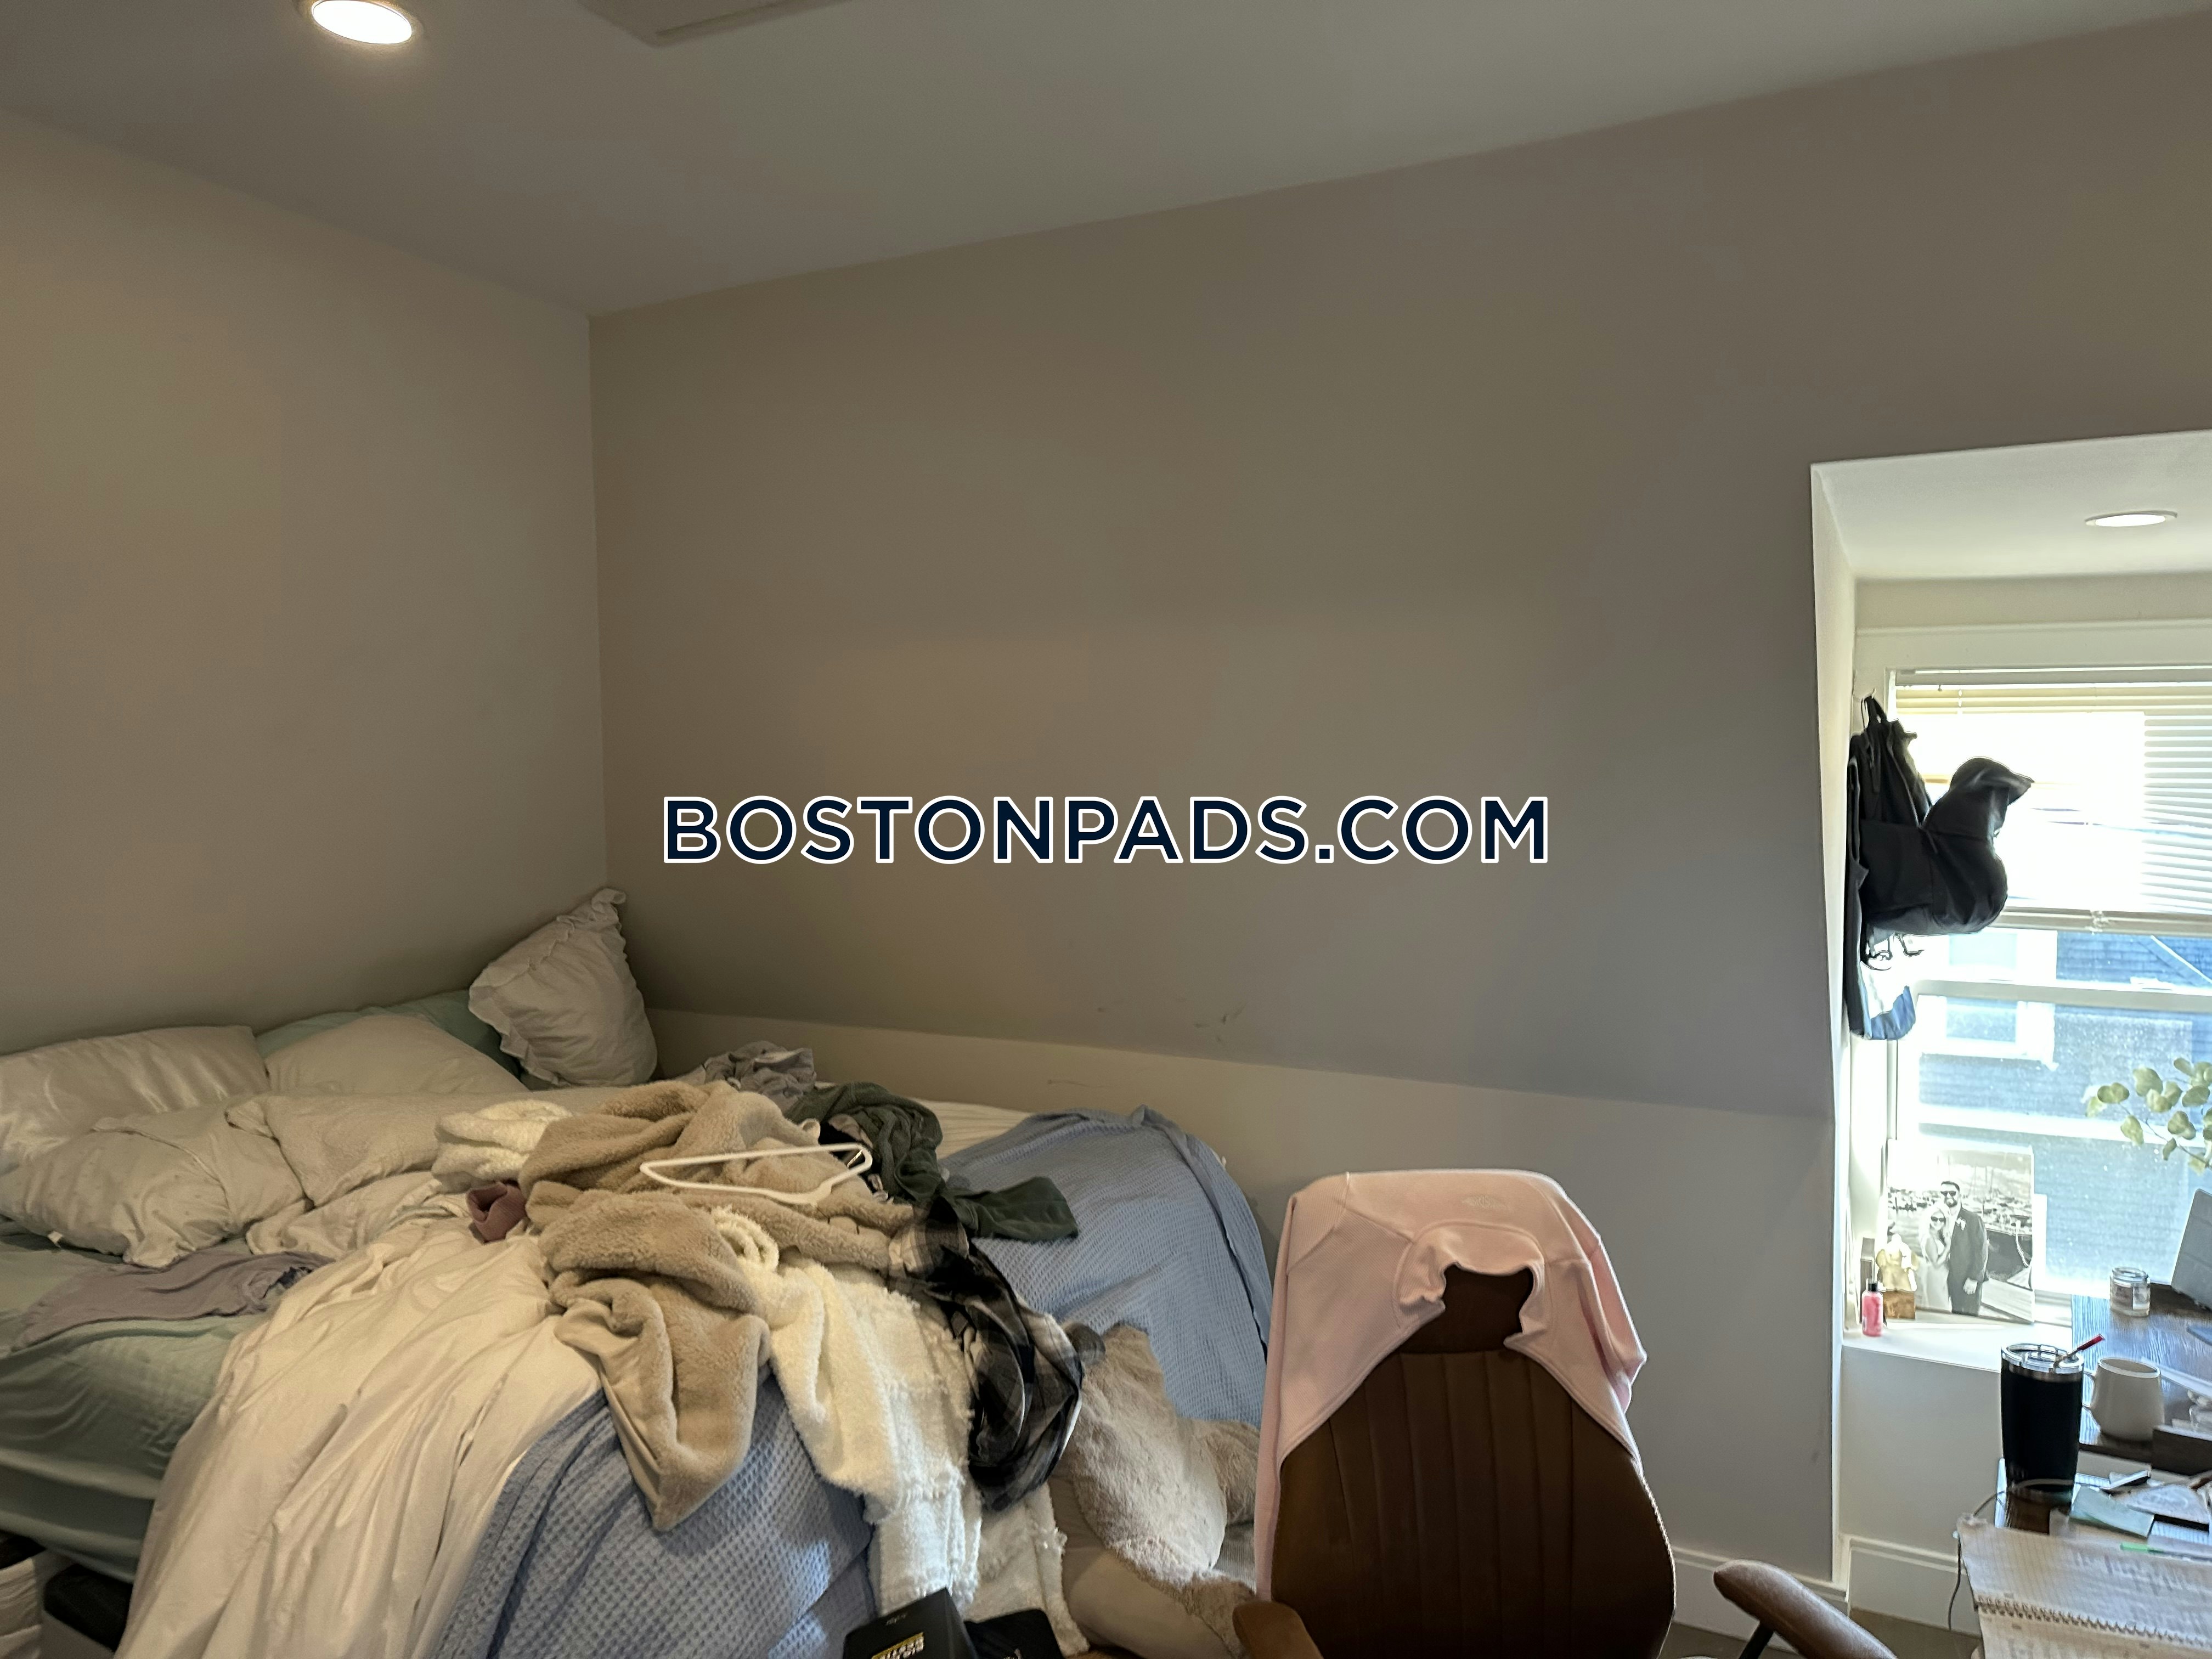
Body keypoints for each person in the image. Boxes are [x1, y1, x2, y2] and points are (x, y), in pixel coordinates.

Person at [1938, 1178, 1989, 1317]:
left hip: (1968, 1279)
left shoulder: (1973, 1219)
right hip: (1950, 1278)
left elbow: (1981, 1251)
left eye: (1952, 1193)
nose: (1948, 1196)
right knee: (1955, 1314)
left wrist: (1974, 1278)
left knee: (1969, 1318)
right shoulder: (1941, 1219)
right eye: (1944, 1193)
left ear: (1959, 1195)